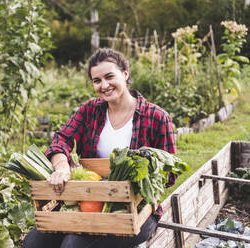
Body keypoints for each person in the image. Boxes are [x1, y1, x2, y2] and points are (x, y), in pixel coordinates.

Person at [23, 48, 176, 248]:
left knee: (73, 245)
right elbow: (62, 139)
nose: (104, 85)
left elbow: (169, 174)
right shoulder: (90, 110)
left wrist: (131, 184)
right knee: (33, 242)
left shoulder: (156, 117)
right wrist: (61, 166)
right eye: (97, 80)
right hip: (87, 202)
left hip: (134, 211)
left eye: (109, 76)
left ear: (125, 73)